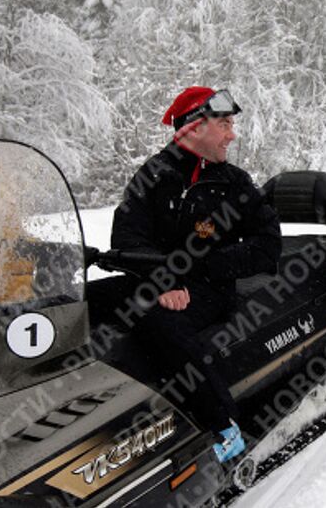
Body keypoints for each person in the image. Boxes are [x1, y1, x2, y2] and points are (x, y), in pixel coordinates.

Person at [111, 86, 282, 462]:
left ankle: (223, 425)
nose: (232, 135)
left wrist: (202, 266)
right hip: (155, 282)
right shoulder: (153, 175)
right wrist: (164, 279)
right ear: (192, 127)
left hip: (210, 288)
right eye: (224, 124)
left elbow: (268, 246)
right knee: (96, 301)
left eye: (231, 125)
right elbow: (127, 235)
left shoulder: (234, 184)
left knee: (159, 321)